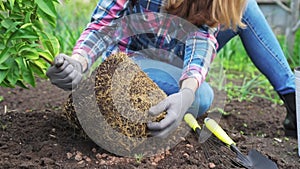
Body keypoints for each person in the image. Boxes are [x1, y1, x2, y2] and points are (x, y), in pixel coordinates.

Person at [47, 0, 296, 138]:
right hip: (135, 63)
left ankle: (294, 100)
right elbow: (105, 24)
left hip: (178, 53)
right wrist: (79, 61)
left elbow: (202, 38)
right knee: (204, 95)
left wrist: (186, 92)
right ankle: (118, 90)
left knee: (247, 7)